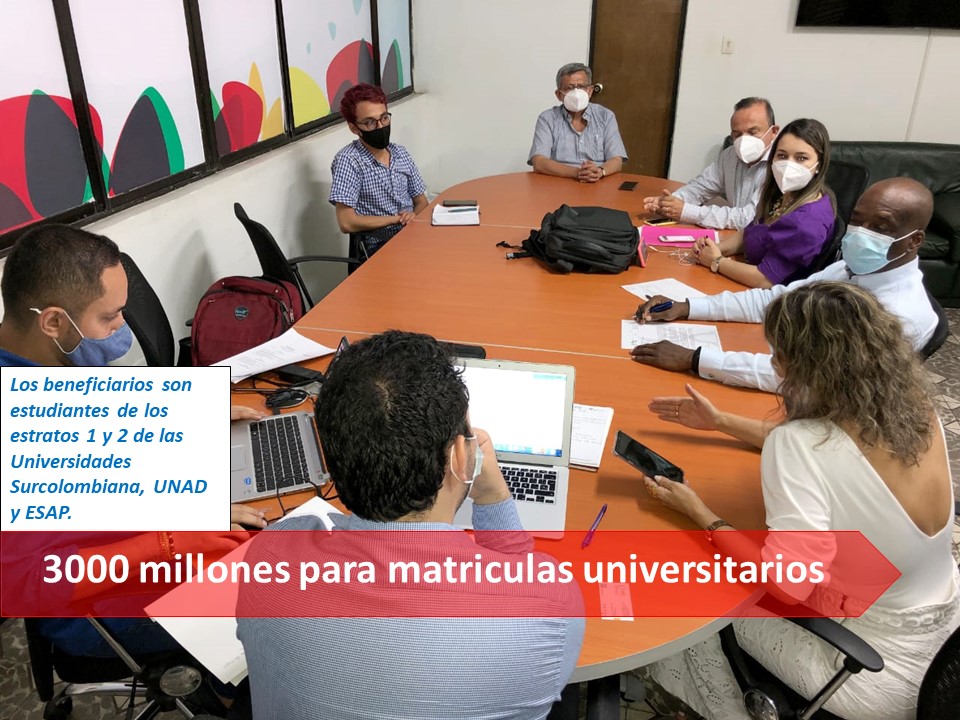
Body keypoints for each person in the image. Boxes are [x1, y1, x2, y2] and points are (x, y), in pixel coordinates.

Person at [638, 282, 959, 720]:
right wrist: (721, 421)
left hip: (868, 664)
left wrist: (702, 514)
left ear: (806, 366)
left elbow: (789, 586)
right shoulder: (915, 408)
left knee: (691, 590)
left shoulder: (799, 446)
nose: (773, 363)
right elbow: (830, 447)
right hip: (944, 632)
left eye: (778, 354)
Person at [237, 331, 585, 720]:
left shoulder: (270, 557)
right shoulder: (550, 604)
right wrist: (493, 497)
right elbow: (522, 578)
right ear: (461, 455)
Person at [0, 225, 261, 677]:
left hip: (132, 533)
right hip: (96, 606)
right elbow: (28, 583)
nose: (122, 326)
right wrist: (169, 541)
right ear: (54, 322)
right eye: (110, 316)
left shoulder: (41, 360)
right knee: (284, 593)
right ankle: (230, 692)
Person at [630, 177, 938, 392]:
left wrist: (694, 359)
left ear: (914, 241)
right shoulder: (850, 269)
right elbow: (779, 300)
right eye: (857, 220)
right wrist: (687, 307)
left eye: (880, 227)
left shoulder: (901, 314)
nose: (861, 232)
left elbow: (808, 377)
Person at [692, 118, 836, 288]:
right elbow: (751, 232)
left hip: (772, 295)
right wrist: (714, 249)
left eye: (801, 158)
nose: (788, 165)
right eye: (782, 156)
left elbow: (766, 280)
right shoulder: (783, 194)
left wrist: (716, 261)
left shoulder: (807, 222)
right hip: (746, 274)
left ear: (819, 164)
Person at [643, 97, 779, 229]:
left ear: (773, 132)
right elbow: (700, 187)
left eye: (752, 132)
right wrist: (670, 202)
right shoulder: (729, 155)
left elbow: (749, 219)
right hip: (735, 238)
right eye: (737, 134)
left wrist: (686, 211)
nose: (744, 140)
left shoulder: (780, 166)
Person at [329, 83, 428, 261]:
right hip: (379, 246)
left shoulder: (400, 153)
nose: (380, 126)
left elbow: (421, 201)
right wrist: (396, 219)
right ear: (354, 128)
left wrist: (413, 215)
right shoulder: (349, 161)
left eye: (384, 118)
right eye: (370, 122)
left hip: (414, 235)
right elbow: (346, 222)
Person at [528, 62, 627, 182]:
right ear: (559, 95)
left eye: (581, 87)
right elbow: (539, 162)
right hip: (560, 181)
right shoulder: (547, 118)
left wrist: (599, 171)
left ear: (590, 91)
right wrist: (577, 173)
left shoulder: (606, 116)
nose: (576, 93)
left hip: (598, 181)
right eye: (569, 88)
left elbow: (617, 160)